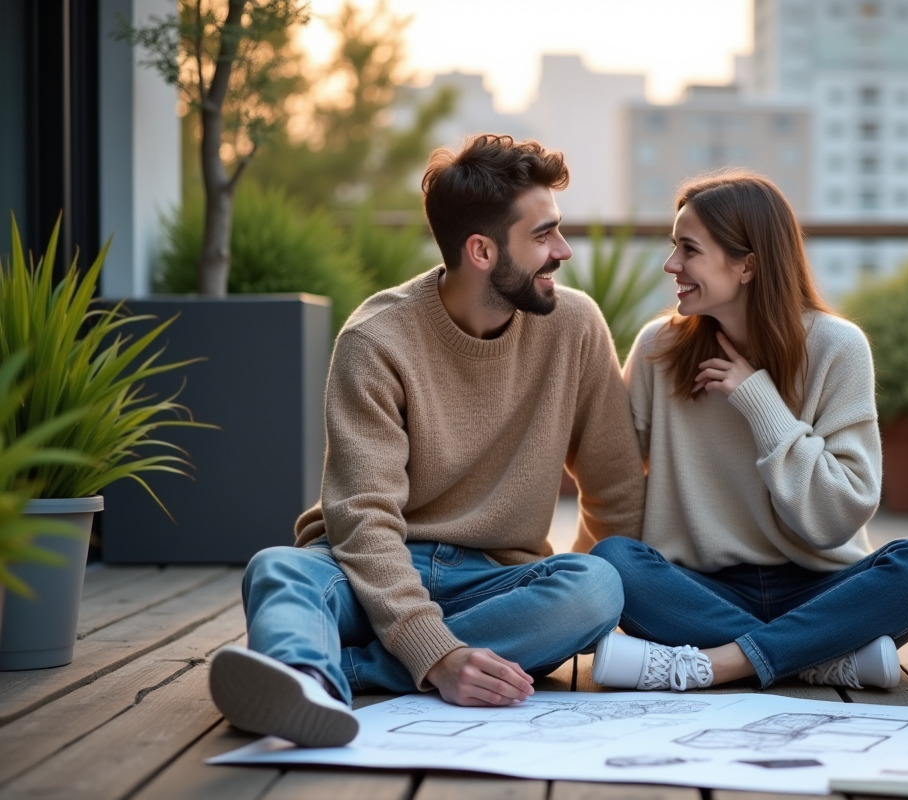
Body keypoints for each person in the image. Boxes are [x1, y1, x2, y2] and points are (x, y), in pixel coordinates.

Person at [209, 134, 646, 747]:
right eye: (543, 235)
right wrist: (439, 654)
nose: (563, 250)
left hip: (496, 578)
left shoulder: (574, 326)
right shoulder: (377, 339)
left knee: (596, 586)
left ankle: (340, 672)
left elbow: (616, 489)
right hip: (376, 563)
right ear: (482, 250)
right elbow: (363, 517)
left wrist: (565, 620)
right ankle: (306, 675)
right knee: (280, 570)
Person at [588, 172, 908, 693]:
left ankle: (721, 663)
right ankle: (815, 659)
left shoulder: (837, 348)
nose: (672, 265)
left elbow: (836, 517)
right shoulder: (658, 350)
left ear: (747, 265)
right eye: (675, 248)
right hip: (702, 588)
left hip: (823, 585)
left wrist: (760, 403)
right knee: (612, 563)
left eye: (688, 250)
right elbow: (614, 472)